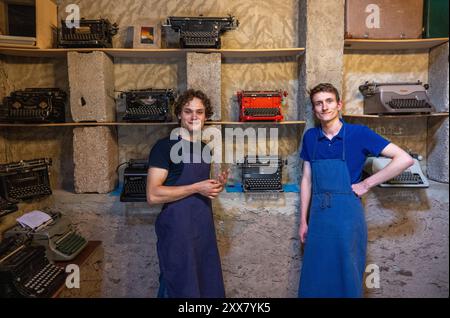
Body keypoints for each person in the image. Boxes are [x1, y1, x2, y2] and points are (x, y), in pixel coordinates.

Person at [297, 83, 414, 298]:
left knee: (347, 272)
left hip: (347, 216)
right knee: (316, 273)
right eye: (318, 103)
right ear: (314, 109)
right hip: (319, 216)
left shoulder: (358, 134)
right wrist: (303, 221)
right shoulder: (310, 137)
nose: (324, 107)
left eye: (329, 101)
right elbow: (307, 180)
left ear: (339, 105)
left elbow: (404, 159)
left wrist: (366, 184)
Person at [146, 89, 228, 298]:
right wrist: (197, 188)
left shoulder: (204, 149)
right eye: (188, 111)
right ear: (179, 114)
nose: (194, 117)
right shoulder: (164, 147)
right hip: (177, 229)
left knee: (205, 282)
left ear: (206, 116)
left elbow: (201, 187)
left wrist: (215, 186)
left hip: (202, 227)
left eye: (199, 112)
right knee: (178, 283)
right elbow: (153, 195)